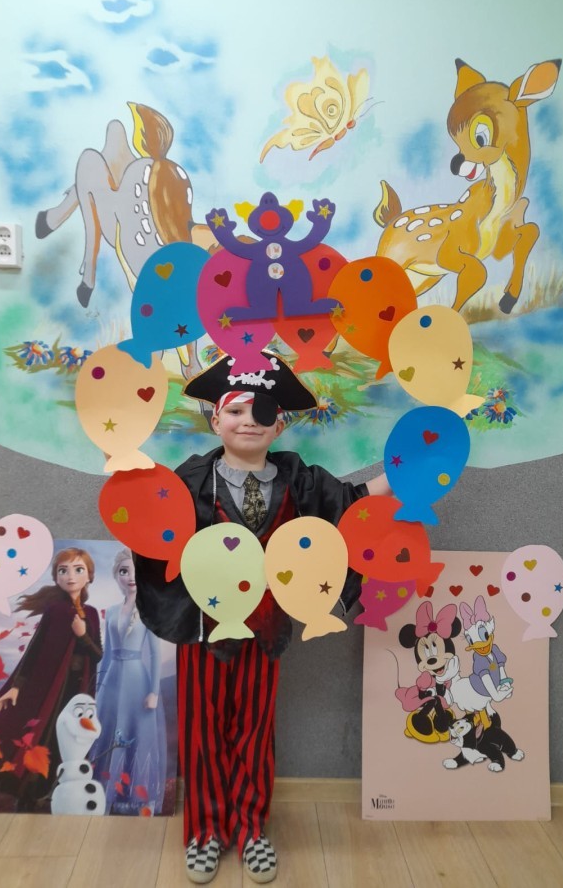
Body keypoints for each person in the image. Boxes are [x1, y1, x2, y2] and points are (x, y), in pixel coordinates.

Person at [135, 352, 390, 883]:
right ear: (215, 419)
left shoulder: (299, 480)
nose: (248, 420)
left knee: (254, 728)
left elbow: (350, 506)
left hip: (265, 624)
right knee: (202, 731)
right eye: (235, 410)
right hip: (203, 628)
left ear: (280, 424)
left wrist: (410, 476)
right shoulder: (191, 481)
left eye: (263, 411)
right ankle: (205, 832)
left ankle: (251, 828)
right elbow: (156, 535)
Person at [0, 547, 102, 812]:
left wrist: (82, 634)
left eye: (78, 570)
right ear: (56, 577)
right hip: (48, 686)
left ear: (89, 576)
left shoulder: (91, 613)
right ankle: (31, 791)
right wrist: (16, 686)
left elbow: (98, 654)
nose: (70, 576)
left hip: (77, 689)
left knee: (66, 737)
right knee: (43, 733)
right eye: (63, 571)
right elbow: (34, 649)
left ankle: (55, 790)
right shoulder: (55, 610)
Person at [90, 547, 166, 814]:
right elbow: (107, 652)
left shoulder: (149, 611)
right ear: (116, 575)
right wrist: (98, 686)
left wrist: (154, 691)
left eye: (135, 571)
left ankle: (134, 796)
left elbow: (155, 653)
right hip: (112, 678)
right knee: (108, 729)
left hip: (137, 681)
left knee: (135, 732)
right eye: (124, 571)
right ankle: (103, 791)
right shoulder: (111, 612)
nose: (130, 577)